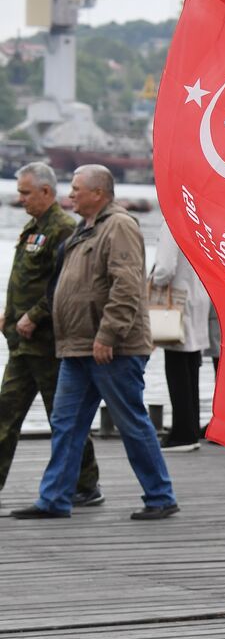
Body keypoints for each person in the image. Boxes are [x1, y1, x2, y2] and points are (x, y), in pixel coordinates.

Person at [10, 165, 179, 521]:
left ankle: (160, 496)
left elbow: (127, 286)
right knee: (66, 422)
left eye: (75, 189)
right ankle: (55, 498)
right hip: (76, 347)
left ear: (98, 193)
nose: (69, 195)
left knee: (131, 422)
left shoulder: (118, 226)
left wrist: (108, 334)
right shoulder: (85, 228)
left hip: (111, 349)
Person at [0, 162, 102, 509]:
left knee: (64, 419)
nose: (21, 199)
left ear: (46, 191)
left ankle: (86, 484)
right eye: (20, 193)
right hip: (21, 343)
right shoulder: (33, 227)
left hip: (47, 343)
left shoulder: (62, 229)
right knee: (5, 413)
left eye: (26, 193)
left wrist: (34, 315)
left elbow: (63, 283)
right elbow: (25, 279)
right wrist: (11, 313)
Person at [149, 221, 211, 451]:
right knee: (191, 364)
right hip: (199, 295)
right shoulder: (194, 219)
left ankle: (182, 433)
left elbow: (165, 268)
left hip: (177, 300)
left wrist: (152, 282)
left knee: (176, 366)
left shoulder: (171, 224)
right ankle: (191, 427)